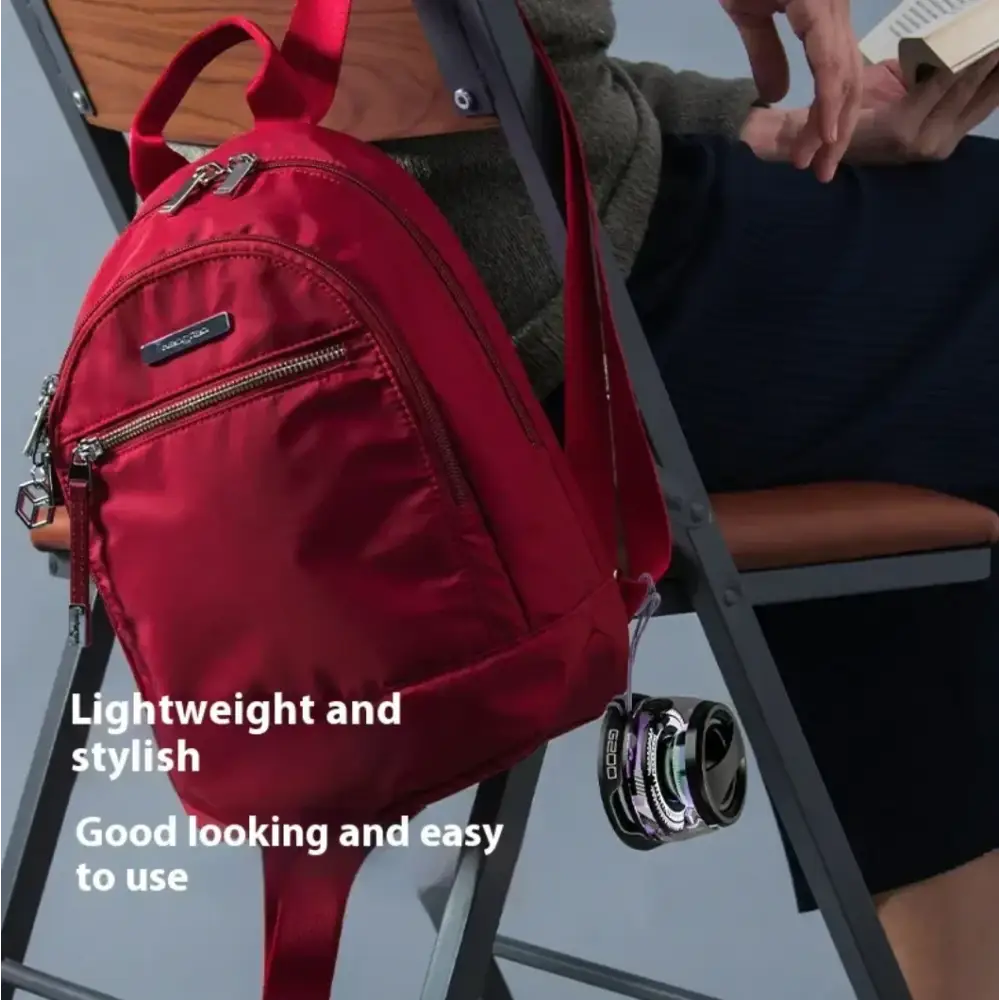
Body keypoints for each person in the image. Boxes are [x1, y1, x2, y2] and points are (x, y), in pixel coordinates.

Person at [380, 2, 1000, 999]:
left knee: (902, 472)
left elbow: (502, 64)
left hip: (350, 338)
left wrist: (747, 123)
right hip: (564, 319)